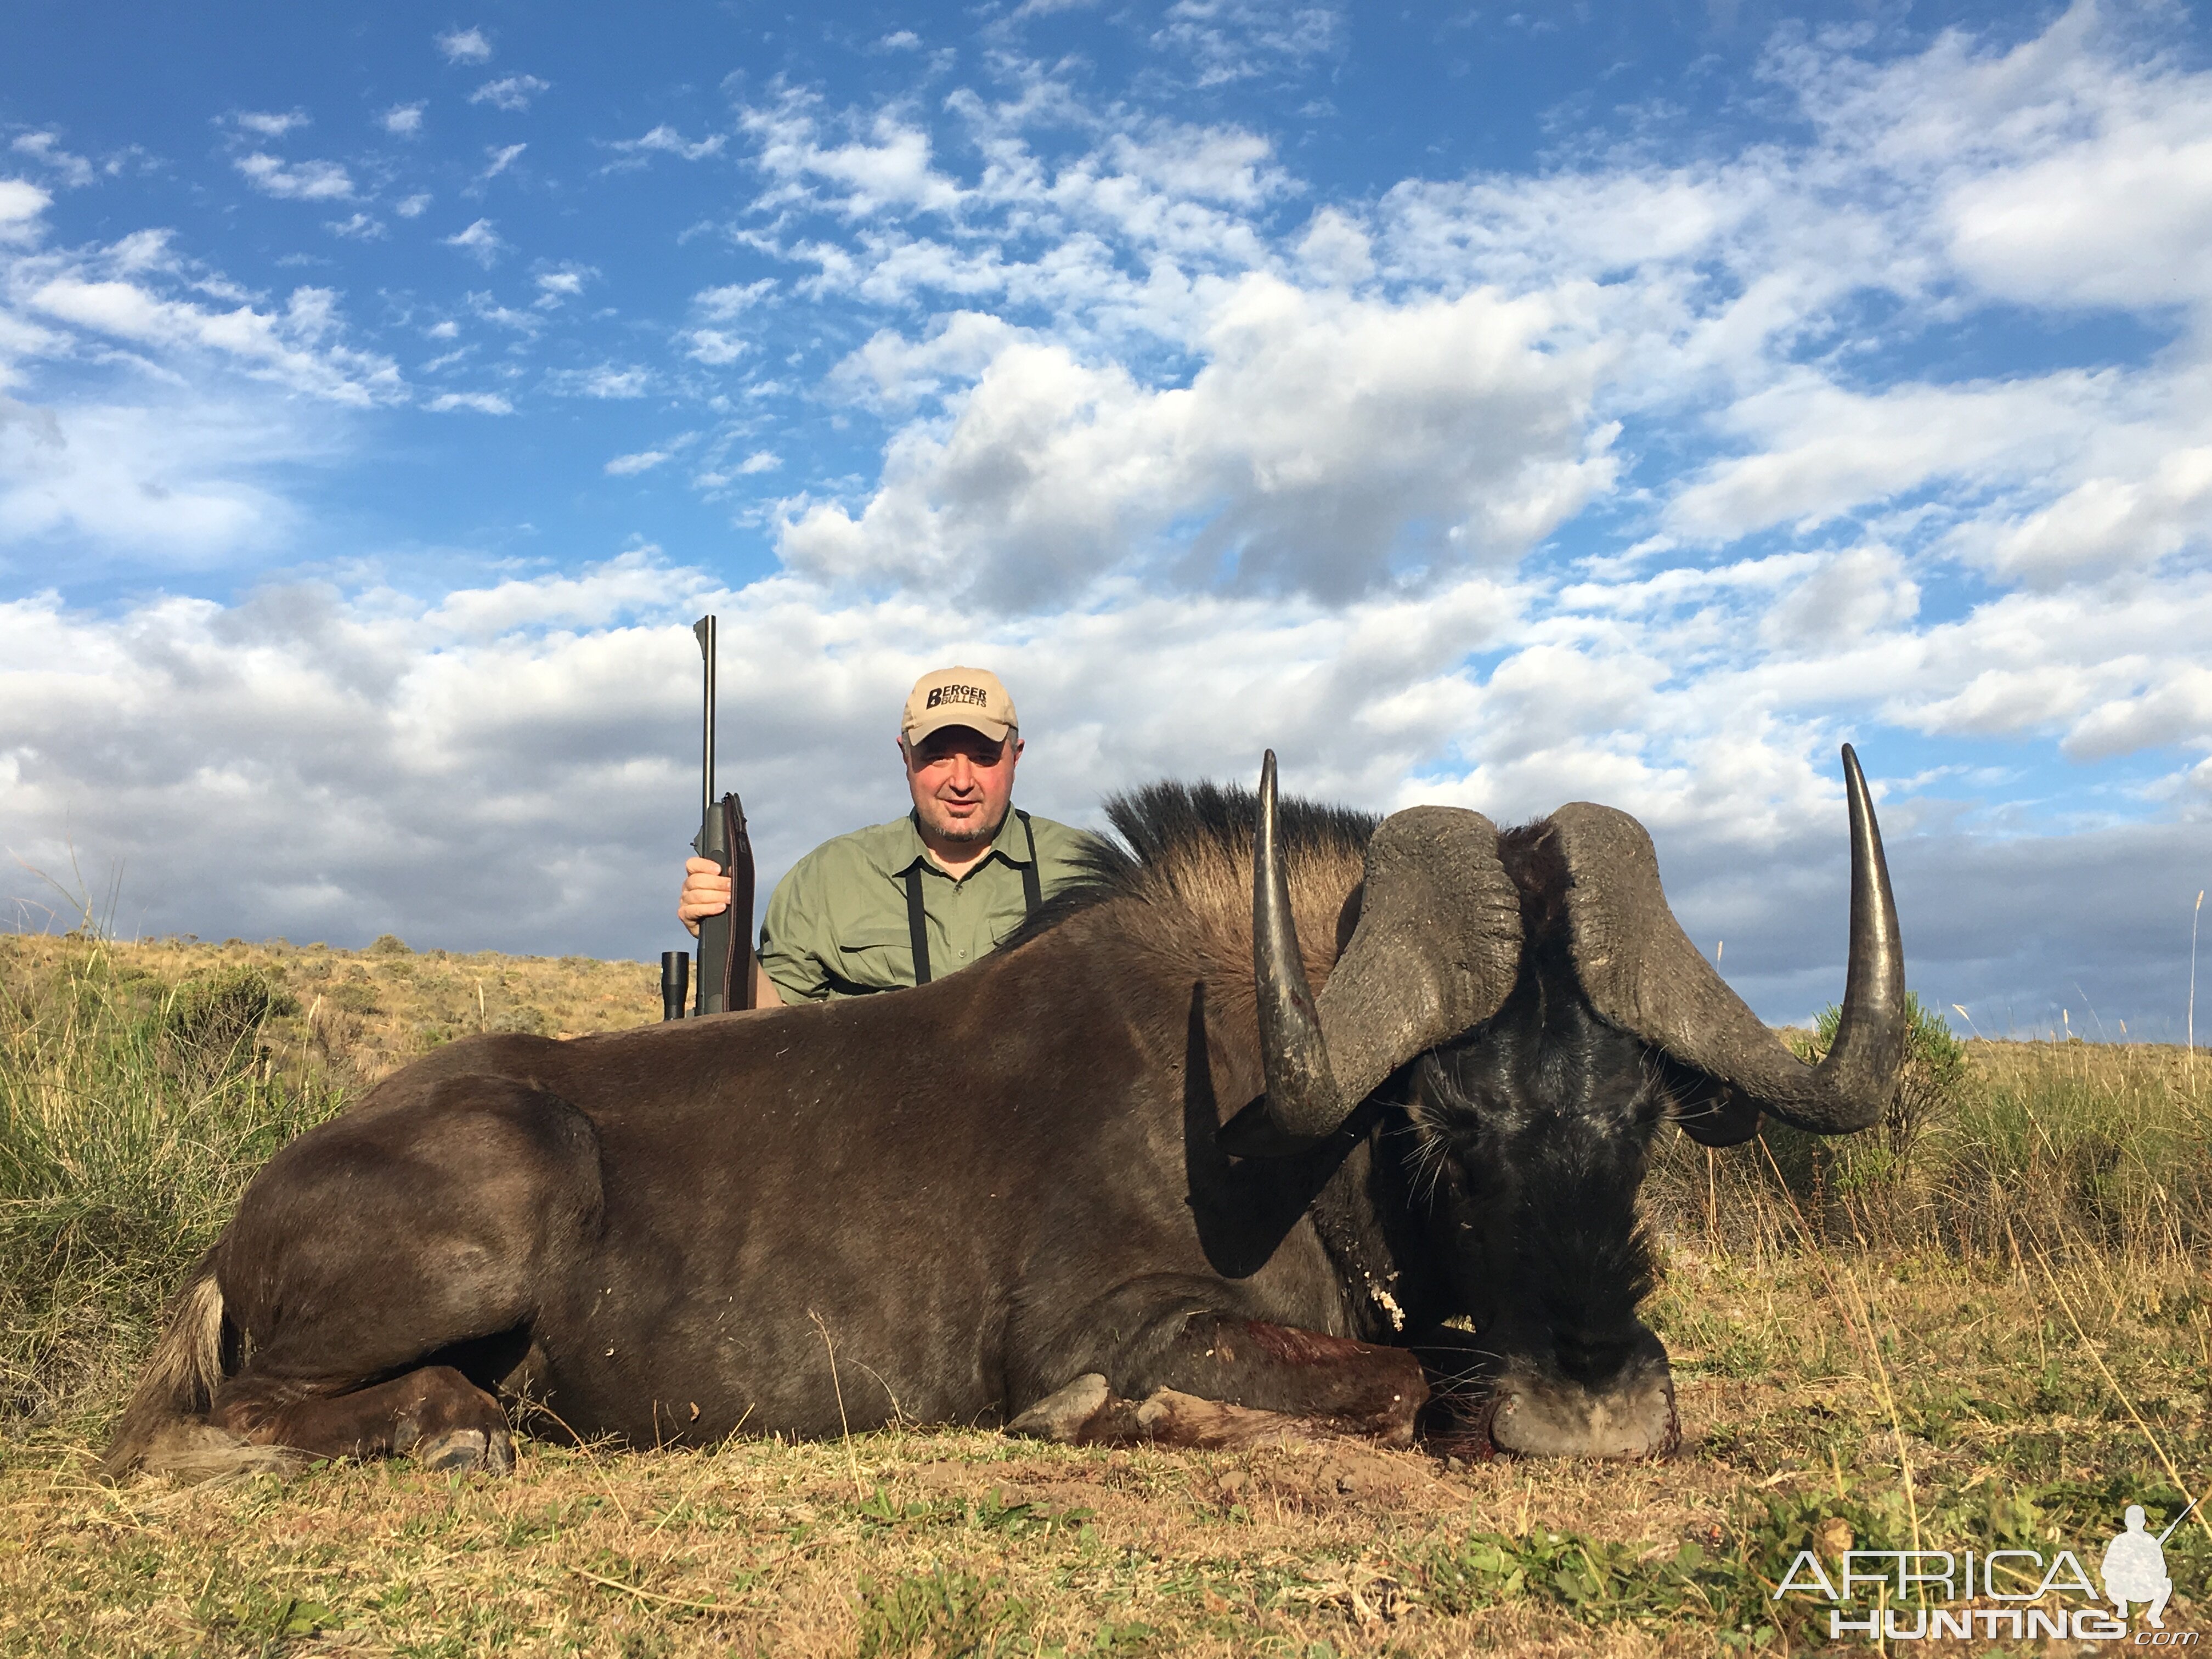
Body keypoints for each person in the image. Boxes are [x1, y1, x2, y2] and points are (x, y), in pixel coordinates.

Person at [678, 667, 1096, 1004]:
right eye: (937, 757)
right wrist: (723, 930)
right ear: (905, 755)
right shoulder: (830, 876)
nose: (962, 781)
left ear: (1017, 756)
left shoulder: (1088, 869)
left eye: (985, 758)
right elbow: (776, 1027)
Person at [2101, 1504, 2173, 1628]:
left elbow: (2162, 1569)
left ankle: (2154, 1615)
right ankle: (2122, 1607)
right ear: (2126, 1522)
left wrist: (2148, 1567)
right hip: (2123, 1587)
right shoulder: (2119, 1541)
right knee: (2113, 1582)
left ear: (2144, 1522)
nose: (2135, 1522)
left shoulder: (2151, 1542)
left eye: (2138, 1519)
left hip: (2144, 1587)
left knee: (2166, 1583)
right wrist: (2127, 1568)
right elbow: (2107, 1568)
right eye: (2132, 1519)